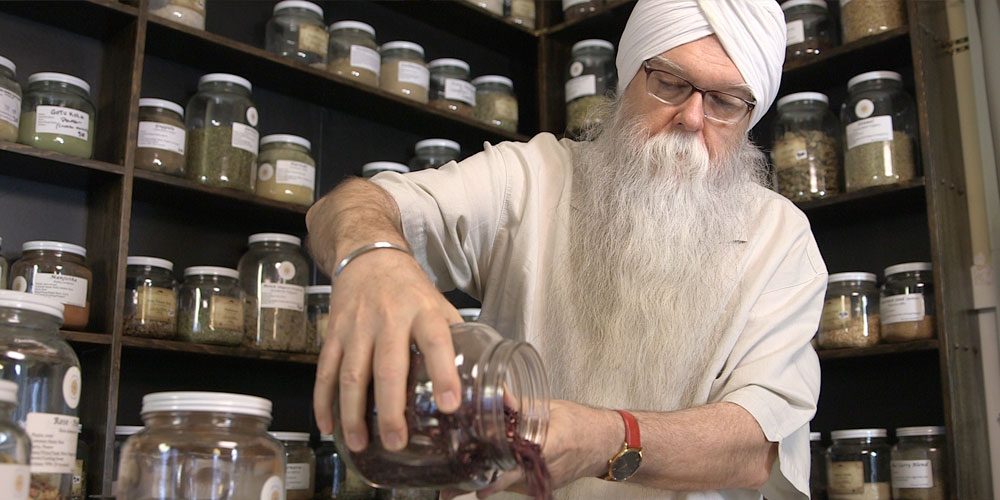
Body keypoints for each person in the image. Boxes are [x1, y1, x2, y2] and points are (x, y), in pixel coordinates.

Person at [306, 0, 826, 498]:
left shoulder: (780, 239)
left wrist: (604, 439)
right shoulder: (532, 178)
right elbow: (346, 207)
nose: (692, 118)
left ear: (749, 114)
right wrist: (373, 257)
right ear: (629, 80)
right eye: (669, 82)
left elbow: (756, 445)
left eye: (724, 102)